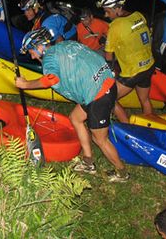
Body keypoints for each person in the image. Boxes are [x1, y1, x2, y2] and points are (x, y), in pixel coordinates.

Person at [15, 27, 129, 183]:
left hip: (98, 95)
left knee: (100, 139)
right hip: (106, 83)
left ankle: (122, 173)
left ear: (39, 46)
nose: (31, 55)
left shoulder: (49, 58)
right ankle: (88, 162)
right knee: (75, 118)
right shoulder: (66, 44)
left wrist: (26, 85)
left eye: (30, 50)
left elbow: (51, 79)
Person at [99, 0, 155, 122]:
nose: (105, 15)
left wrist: (110, 72)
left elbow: (108, 54)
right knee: (145, 100)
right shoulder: (139, 15)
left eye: (108, 11)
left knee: (108, 98)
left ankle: (128, 128)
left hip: (133, 71)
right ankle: (151, 125)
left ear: (118, 8)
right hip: (148, 65)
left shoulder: (115, 26)